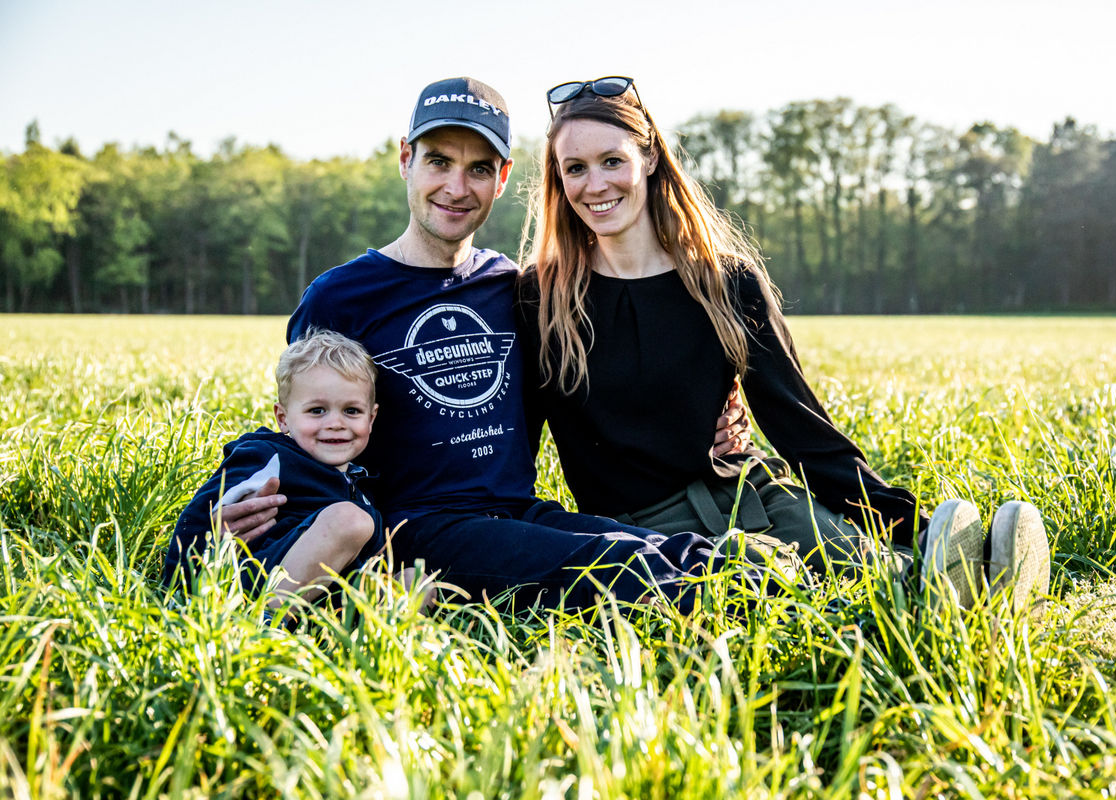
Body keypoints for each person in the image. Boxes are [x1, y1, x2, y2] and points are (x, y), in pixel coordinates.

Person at [212, 77, 761, 614]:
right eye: (439, 162)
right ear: (405, 159)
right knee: (622, 568)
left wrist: (704, 416)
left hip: (518, 512)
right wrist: (235, 508)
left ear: (502, 178)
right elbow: (302, 424)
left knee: (652, 546)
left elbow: (597, 385)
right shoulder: (340, 298)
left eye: (478, 168)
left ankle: (776, 580)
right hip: (415, 530)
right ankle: (758, 596)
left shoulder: (514, 289)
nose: (457, 188)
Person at [518, 76, 1051, 607]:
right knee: (817, 592)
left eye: (612, 161)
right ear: (558, 179)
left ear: (650, 157)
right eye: (575, 168)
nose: (595, 184)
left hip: (754, 492)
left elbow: (802, 430)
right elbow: (513, 449)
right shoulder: (540, 297)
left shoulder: (725, 283)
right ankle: (955, 592)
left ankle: (981, 575)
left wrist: (916, 524)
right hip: (650, 533)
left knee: (877, 567)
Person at [164, 329, 392, 607]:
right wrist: (177, 587)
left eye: (351, 411)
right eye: (317, 410)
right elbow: (202, 516)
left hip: (321, 596)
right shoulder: (270, 456)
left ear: (371, 418)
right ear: (283, 418)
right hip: (252, 583)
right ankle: (265, 619)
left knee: (415, 583)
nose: (336, 423)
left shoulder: (361, 482)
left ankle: (347, 624)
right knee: (351, 520)